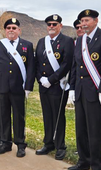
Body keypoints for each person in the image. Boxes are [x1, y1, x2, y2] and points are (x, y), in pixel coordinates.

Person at [69, 9, 101, 170]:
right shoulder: (80, 40)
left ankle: (96, 165)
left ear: (96, 21)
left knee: (95, 130)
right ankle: (83, 161)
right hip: (81, 91)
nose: (84, 24)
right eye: (82, 21)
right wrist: (72, 88)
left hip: (96, 92)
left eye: (87, 20)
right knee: (80, 129)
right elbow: (75, 66)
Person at [0, 18, 35, 157]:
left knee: (19, 117)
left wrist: (28, 87)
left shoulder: (27, 45)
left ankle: (20, 144)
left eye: (14, 28)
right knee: (3, 116)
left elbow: (31, 68)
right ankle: (5, 143)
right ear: (5, 30)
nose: (11, 30)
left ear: (19, 30)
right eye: (8, 28)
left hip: (18, 88)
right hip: (2, 87)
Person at [34, 14, 74, 160]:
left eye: (54, 24)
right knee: (47, 116)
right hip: (43, 86)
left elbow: (66, 64)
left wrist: (51, 79)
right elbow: (37, 63)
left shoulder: (67, 41)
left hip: (57, 86)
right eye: (49, 24)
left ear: (60, 26)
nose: (51, 26)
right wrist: (40, 79)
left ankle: (60, 146)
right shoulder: (41, 42)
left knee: (58, 117)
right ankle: (48, 143)